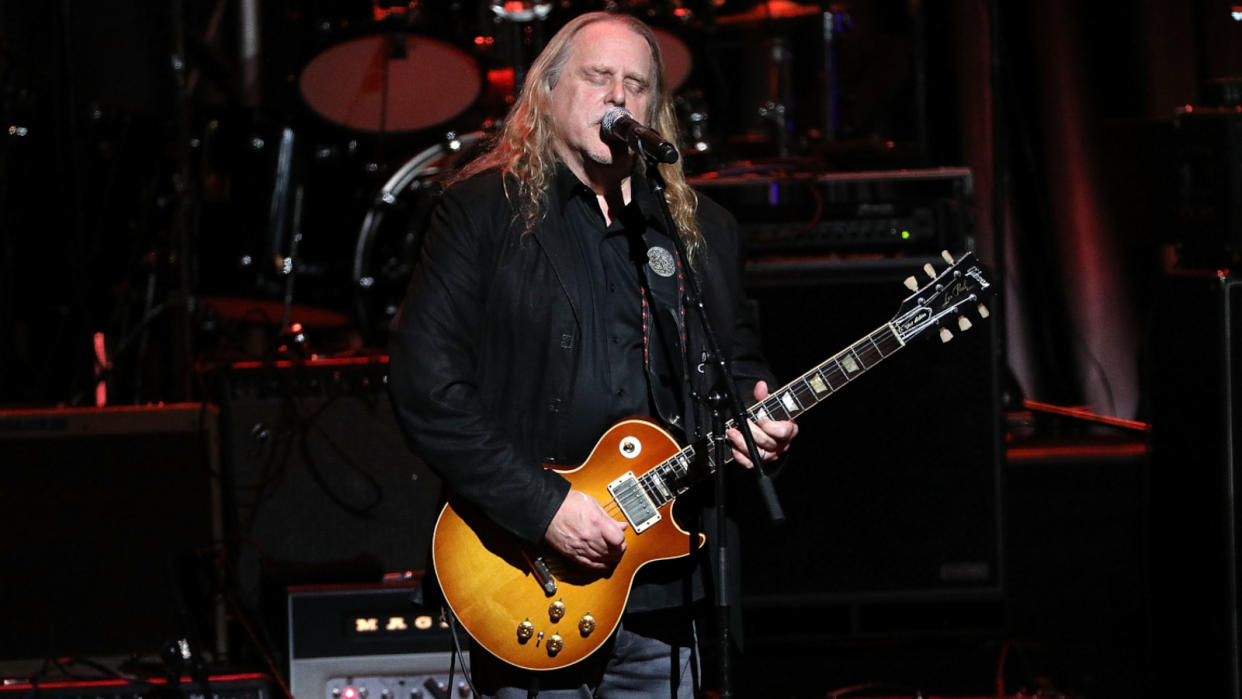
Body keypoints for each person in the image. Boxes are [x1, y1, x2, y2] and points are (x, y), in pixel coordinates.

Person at [387, 10, 798, 698]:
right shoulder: (485, 212)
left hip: (668, 593)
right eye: (598, 77)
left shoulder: (700, 230)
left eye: (637, 85)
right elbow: (425, 384)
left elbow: (737, 360)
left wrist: (759, 414)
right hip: (528, 569)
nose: (618, 98)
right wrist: (545, 507)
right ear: (547, 91)